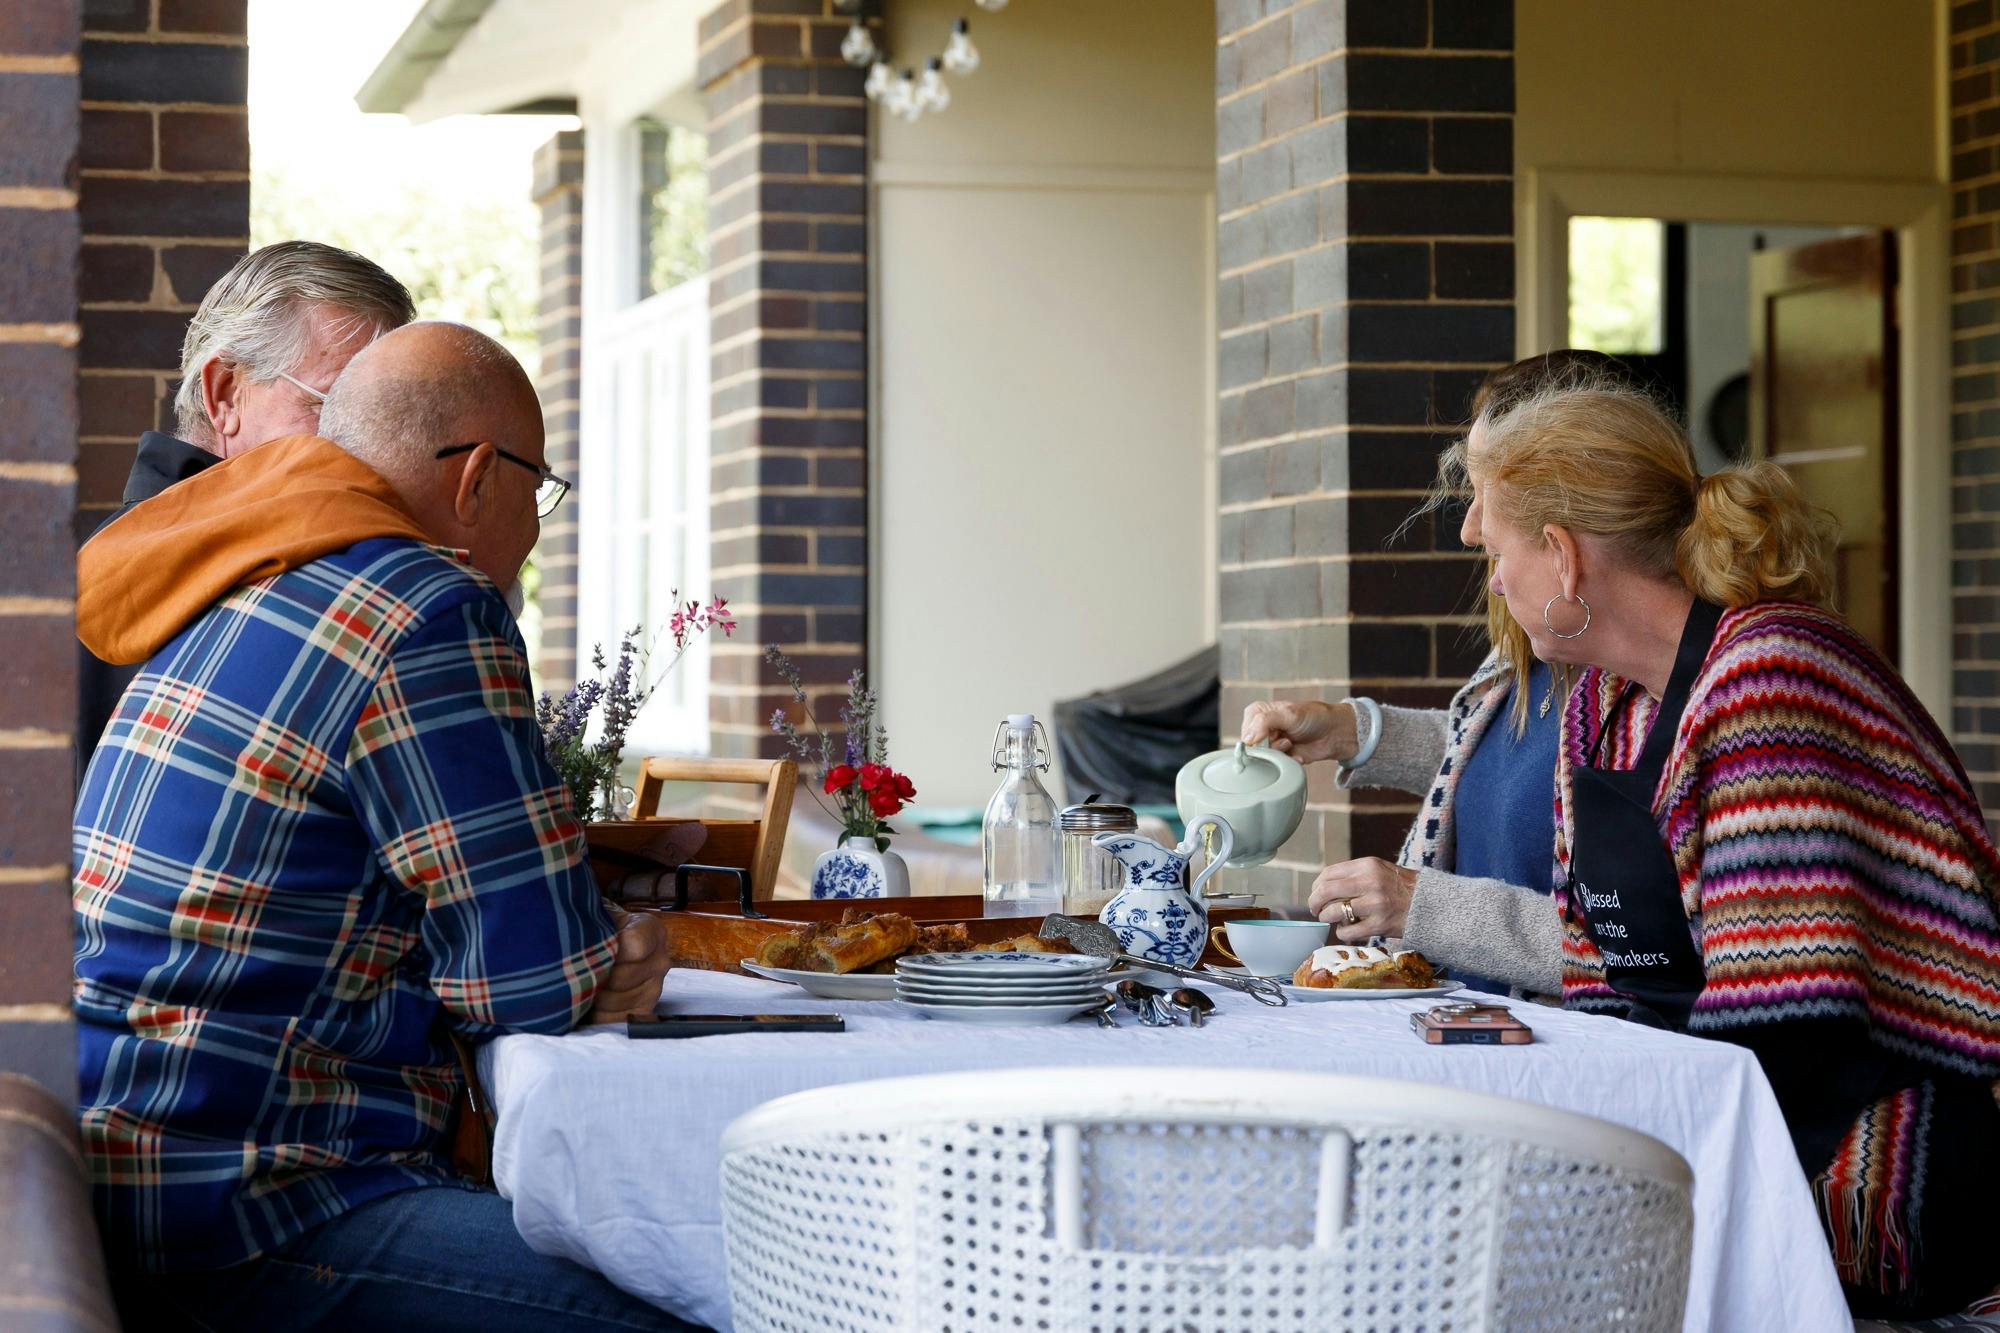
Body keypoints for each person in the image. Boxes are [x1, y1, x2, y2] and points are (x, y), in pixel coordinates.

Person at [73, 322, 693, 1332]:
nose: (535, 533)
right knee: (716, 1295)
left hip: (120, 1162)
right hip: (258, 1209)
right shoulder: (428, 607)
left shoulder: (236, 571)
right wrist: (616, 944)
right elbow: (529, 984)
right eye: (540, 490)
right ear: (482, 475)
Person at [1470, 377, 2000, 1318]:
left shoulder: (1766, 681)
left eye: (1499, 546)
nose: (1491, 572)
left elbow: (1784, 1023)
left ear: (1563, 555)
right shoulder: (1599, 706)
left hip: (1878, 1163)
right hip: (1723, 1116)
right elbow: (1601, 977)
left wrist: (1623, 1153)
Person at [1241, 351, 1636, 995]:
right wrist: (1353, 732)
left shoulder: (1643, 681)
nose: (1470, 528)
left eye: (1486, 493)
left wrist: (1420, 905)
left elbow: (1642, 954)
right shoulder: (1535, 642)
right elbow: (1500, 767)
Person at [78, 240, 416, 773]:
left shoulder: (109, 564)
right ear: (226, 394)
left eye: (387, 416)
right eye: (335, 405)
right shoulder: (261, 568)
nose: (371, 446)